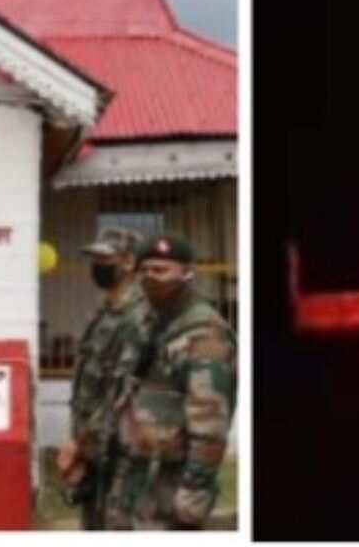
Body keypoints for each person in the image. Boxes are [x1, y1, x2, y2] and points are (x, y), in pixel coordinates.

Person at [104, 233, 237, 530]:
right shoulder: (152, 323)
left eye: (162, 270)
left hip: (170, 488)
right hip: (134, 480)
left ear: (187, 274)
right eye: (146, 270)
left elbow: (210, 428)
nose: (151, 277)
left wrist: (192, 498)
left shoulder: (204, 333)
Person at [57, 227, 151, 529]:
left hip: (121, 452)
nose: (97, 265)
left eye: (105, 258)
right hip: (95, 451)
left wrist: (80, 443)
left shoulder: (139, 317)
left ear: (128, 263)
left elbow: (123, 393)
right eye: (94, 258)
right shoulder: (104, 312)